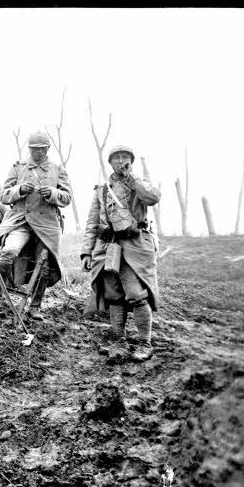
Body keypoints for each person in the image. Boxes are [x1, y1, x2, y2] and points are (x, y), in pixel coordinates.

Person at [81, 144, 161, 362]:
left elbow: (153, 198)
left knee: (136, 294)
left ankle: (145, 342)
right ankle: (119, 341)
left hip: (135, 246)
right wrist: (87, 252)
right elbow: (92, 223)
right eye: (116, 158)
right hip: (109, 247)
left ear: (131, 161)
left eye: (125, 157)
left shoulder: (139, 184)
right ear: (110, 162)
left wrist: (133, 178)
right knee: (113, 295)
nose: (121, 161)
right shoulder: (102, 189)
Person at [0, 131, 72, 320]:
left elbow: (67, 197)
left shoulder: (57, 170)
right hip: (20, 220)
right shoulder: (18, 168)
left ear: (47, 149)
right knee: (9, 252)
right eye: (35, 149)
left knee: (43, 266)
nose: (38, 153)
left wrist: (52, 193)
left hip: (46, 224)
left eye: (42, 149)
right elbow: (3, 196)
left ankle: (35, 307)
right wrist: (19, 190)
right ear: (29, 149)